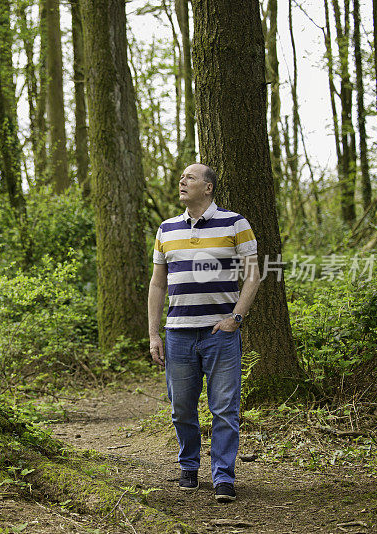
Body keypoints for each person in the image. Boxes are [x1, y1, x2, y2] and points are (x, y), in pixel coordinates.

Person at [148, 163, 261, 503]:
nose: (182, 181)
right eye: (181, 177)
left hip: (221, 335)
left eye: (191, 178)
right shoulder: (166, 229)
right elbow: (157, 282)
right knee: (181, 407)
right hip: (178, 334)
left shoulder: (235, 223)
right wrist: (154, 334)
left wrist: (235, 319)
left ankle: (224, 477)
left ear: (208, 188)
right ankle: (189, 467)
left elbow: (253, 275)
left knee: (224, 408)